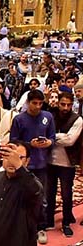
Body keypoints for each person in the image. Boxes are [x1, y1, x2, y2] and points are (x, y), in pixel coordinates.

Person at [10, 89, 55, 244]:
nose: (37, 106)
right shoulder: (19, 119)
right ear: (28, 103)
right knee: (21, 196)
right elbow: (14, 141)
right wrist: (30, 144)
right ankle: (20, 227)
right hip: (24, 163)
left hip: (42, 162)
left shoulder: (48, 117)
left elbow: (52, 137)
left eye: (40, 103)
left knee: (41, 197)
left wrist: (49, 143)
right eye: (34, 103)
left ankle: (40, 227)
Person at [49, 91, 81, 237]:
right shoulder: (50, 115)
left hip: (68, 162)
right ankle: (48, 220)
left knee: (67, 194)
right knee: (49, 192)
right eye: (63, 104)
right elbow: (43, 134)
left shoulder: (78, 119)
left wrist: (52, 138)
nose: (65, 108)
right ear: (58, 103)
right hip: (49, 161)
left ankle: (66, 221)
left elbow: (70, 140)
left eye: (69, 105)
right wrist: (59, 137)